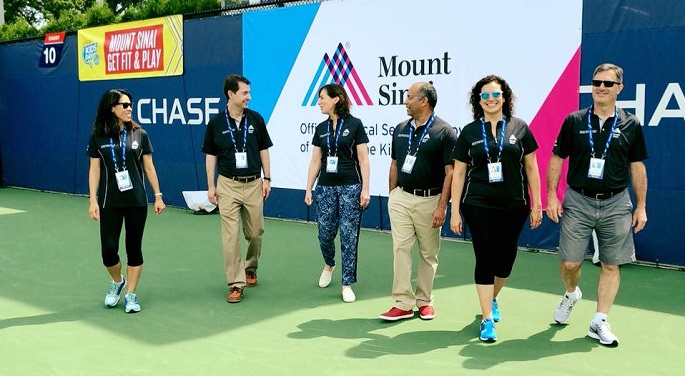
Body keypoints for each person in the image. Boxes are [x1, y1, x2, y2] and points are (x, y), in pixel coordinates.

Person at [546, 63, 648, 347]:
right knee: (569, 262)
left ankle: (599, 320)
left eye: (607, 83)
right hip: (578, 200)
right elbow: (557, 159)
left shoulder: (631, 124)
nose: (601, 87)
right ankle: (571, 293)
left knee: (611, 264)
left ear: (619, 88)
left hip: (616, 202)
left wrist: (641, 206)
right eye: (596, 82)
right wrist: (552, 196)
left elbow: (637, 166)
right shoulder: (574, 121)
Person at [449, 75, 543, 342]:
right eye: (485, 96)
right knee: (485, 257)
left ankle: (492, 298)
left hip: (514, 205)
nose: (491, 100)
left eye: (496, 95)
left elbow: (532, 168)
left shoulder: (520, 127)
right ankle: (486, 319)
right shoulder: (469, 131)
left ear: (505, 97)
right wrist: (454, 210)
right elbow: (458, 173)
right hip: (477, 204)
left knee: (505, 261)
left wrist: (537, 204)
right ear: (478, 101)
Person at [379, 82, 457, 321]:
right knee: (400, 248)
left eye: (409, 97)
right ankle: (403, 302)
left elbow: (451, 172)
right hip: (401, 198)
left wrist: (442, 206)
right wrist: (393, 194)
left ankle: (424, 301)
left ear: (424, 101)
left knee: (428, 253)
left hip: (430, 200)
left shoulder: (445, 132)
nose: (406, 101)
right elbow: (394, 163)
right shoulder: (400, 129)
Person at [87, 88, 166, 314]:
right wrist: (92, 200)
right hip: (109, 202)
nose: (129, 108)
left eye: (130, 104)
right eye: (124, 105)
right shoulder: (98, 137)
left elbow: (148, 167)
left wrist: (157, 195)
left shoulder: (140, 135)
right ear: (112, 108)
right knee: (108, 252)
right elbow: (94, 170)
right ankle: (117, 281)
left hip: (136, 202)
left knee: (134, 249)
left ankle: (131, 294)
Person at [202, 74, 273, 303]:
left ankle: (251, 267)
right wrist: (211, 186)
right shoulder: (215, 123)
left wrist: (267, 178)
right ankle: (235, 282)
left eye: (249, 93)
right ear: (231, 94)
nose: (249, 97)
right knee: (230, 237)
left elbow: (264, 149)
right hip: (227, 185)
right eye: (244, 93)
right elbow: (210, 156)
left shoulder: (256, 119)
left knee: (255, 232)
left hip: (253, 183)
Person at [304, 84, 371, 303]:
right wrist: (309, 187)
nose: (319, 102)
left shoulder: (355, 125)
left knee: (349, 235)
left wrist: (366, 189)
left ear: (336, 99)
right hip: (325, 188)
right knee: (325, 233)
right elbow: (315, 161)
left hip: (351, 186)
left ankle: (346, 283)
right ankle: (329, 263)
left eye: (322, 98)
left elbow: (363, 160)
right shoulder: (321, 128)